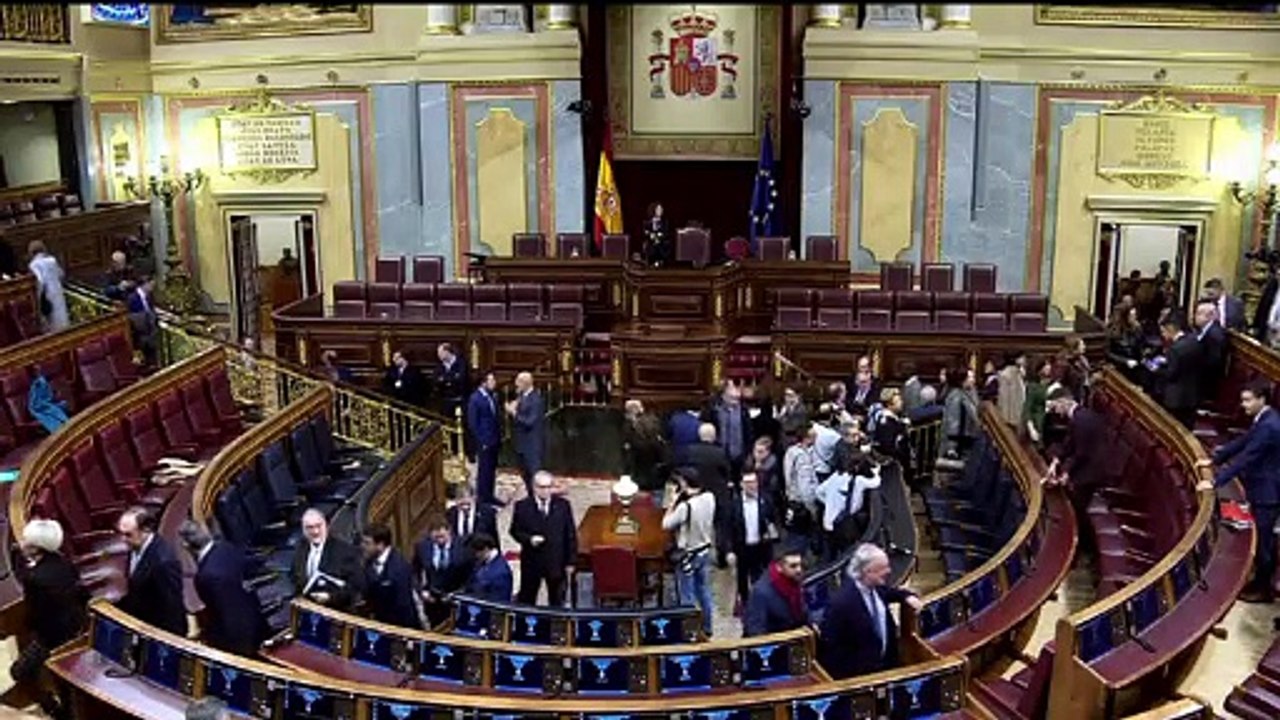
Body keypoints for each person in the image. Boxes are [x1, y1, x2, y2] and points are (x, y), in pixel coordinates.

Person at [1197, 381, 1280, 603]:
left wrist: (1215, 482)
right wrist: (1215, 459)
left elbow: (1248, 457)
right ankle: (1259, 581)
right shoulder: (1265, 419)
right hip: (1261, 486)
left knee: (1264, 543)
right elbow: (1243, 441)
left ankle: (1264, 589)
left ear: (1262, 399)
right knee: (1262, 540)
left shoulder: (1270, 426)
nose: (1243, 405)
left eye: (1248, 400)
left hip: (1268, 492)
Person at [7, 519, 87, 709]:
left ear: (36, 548)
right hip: (76, 627)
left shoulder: (35, 579)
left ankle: (52, 708)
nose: (21, 544)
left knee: (19, 672)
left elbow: (35, 615)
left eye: (26, 541)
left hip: (53, 638)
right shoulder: (63, 561)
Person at [818, 544, 922, 679]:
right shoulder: (840, 604)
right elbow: (832, 649)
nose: (889, 571)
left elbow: (892, 593)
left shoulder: (878, 589)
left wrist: (907, 596)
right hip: (861, 679)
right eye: (883, 568)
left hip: (888, 670)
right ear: (867, 571)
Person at [178, 521, 265, 657]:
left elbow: (220, 612)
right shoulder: (226, 547)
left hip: (237, 639)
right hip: (255, 616)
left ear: (186, 545)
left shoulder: (206, 576)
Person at [1043, 387, 1107, 556]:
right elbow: (1068, 445)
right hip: (1086, 466)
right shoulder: (1078, 417)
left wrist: (1066, 474)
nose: (1054, 412)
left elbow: (1081, 453)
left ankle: (1085, 551)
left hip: (1090, 473)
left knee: (1076, 510)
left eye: (1055, 407)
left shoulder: (1082, 420)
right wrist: (1056, 462)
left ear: (1064, 401)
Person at [662, 467, 717, 636]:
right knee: (704, 590)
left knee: (687, 594)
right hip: (704, 550)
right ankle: (708, 627)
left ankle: (690, 630)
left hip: (688, 554)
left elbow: (666, 524)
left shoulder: (686, 507)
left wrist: (672, 504)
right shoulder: (709, 497)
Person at [116, 507, 187, 636]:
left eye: (128, 534)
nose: (123, 539)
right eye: (121, 533)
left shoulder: (163, 563)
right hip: (141, 621)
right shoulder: (135, 545)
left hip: (158, 630)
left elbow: (171, 608)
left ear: (146, 530)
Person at [510, 471, 576, 606]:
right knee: (527, 598)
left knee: (557, 599)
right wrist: (529, 539)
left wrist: (571, 561)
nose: (546, 491)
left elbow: (570, 534)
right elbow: (515, 531)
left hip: (556, 562)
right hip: (532, 562)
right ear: (534, 487)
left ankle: (556, 625)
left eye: (549, 487)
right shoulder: (522, 506)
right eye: (542, 487)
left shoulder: (563, 506)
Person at [720, 472, 780, 611]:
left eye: (753, 482)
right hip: (742, 548)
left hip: (762, 547)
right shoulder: (733, 505)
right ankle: (746, 605)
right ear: (741, 485)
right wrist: (728, 551)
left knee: (763, 578)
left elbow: (773, 520)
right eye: (747, 483)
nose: (751, 486)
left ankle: (763, 604)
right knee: (742, 579)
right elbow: (726, 530)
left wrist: (771, 533)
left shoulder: (766, 500)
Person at [290, 508, 365, 611]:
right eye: (310, 528)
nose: (315, 532)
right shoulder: (301, 548)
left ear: (326, 525)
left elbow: (355, 587)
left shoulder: (345, 551)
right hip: (308, 609)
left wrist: (330, 597)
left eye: (318, 526)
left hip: (336, 612)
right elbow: (294, 576)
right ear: (303, 530)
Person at [414, 515, 470, 627]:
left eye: (442, 536)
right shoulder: (422, 547)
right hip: (431, 599)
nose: (439, 539)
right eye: (436, 536)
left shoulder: (463, 547)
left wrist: (456, 594)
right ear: (430, 535)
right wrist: (421, 591)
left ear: (449, 532)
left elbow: (470, 576)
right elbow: (415, 572)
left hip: (455, 599)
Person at [360, 524, 419, 628]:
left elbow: (404, 606)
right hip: (378, 622)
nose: (362, 546)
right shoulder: (368, 561)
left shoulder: (399, 568)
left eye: (367, 543)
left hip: (398, 627)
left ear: (380, 545)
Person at [743, 545, 809, 637]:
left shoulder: (795, 584)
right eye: (793, 566)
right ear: (779, 567)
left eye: (800, 565)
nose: (799, 570)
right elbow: (756, 630)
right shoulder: (762, 592)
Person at [1155, 315, 1204, 429]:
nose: (1162, 335)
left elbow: (1171, 374)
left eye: (1163, 331)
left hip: (1176, 398)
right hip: (1193, 395)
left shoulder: (1175, 349)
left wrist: (1156, 370)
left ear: (1171, 329)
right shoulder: (1194, 341)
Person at [701, 380, 753, 484]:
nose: (736, 400)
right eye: (732, 398)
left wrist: (748, 452)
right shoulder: (713, 410)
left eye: (737, 398)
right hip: (718, 455)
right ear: (723, 395)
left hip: (739, 456)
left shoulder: (743, 410)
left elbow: (748, 432)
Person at [466, 372, 502, 507]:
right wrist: (482, 441)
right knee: (484, 470)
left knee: (492, 470)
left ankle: (490, 495)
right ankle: (482, 499)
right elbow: (473, 423)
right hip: (484, 441)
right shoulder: (475, 399)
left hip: (494, 439)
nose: (494, 382)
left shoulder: (492, 396)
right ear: (483, 382)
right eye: (492, 380)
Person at [507, 371, 546, 496]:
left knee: (534, 476)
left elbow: (530, 422)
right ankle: (531, 498)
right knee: (525, 474)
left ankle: (538, 500)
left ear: (525, 383)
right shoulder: (522, 396)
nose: (515, 385)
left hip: (532, 445)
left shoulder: (536, 399)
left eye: (518, 382)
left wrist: (514, 413)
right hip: (521, 443)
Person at [678, 423, 731, 513]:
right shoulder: (720, 452)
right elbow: (726, 473)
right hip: (717, 495)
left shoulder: (689, 451)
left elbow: (682, 470)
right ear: (714, 436)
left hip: (695, 495)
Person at [623, 399, 669, 500]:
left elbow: (629, 454)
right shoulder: (653, 420)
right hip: (657, 474)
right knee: (657, 498)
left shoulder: (633, 431)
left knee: (642, 502)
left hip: (641, 474)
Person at [27, 240, 68, 332]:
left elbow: (40, 281)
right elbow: (61, 274)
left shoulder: (34, 265)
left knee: (50, 320)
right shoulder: (52, 260)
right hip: (57, 291)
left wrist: (38, 297)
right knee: (61, 316)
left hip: (46, 294)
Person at [1194, 301, 1228, 405]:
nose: (1195, 316)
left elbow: (1214, 362)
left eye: (1199, 313)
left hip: (1207, 385)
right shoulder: (1206, 330)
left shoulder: (1215, 334)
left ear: (1210, 316)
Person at [464, 532, 512, 603]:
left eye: (476, 553)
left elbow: (499, 602)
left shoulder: (500, 573)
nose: (475, 556)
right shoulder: (481, 563)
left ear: (485, 549)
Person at [941, 369, 980, 458]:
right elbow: (953, 421)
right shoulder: (956, 396)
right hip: (961, 441)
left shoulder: (968, 393)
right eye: (969, 377)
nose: (972, 380)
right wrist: (951, 447)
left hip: (967, 438)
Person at [126, 276, 160, 368]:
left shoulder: (149, 296)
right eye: (151, 285)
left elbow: (151, 309)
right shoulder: (132, 298)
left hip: (150, 330)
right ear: (145, 284)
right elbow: (133, 318)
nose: (152, 288)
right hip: (140, 333)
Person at [434, 343, 469, 420]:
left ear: (447, 352)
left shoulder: (461, 363)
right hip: (446, 402)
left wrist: (444, 379)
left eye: (440, 353)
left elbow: (461, 379)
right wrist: (452, 378)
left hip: (460, 401)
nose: (438, 355)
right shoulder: (439, 366)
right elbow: (436, 381)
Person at [996, 351, 1028, 431]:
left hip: (1019, 416)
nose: (1025, 360)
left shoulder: (1018, 373)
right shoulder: (1007, 375)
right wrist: (1005, 420)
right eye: (1022, 357)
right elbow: (1004, 399)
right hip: (1011, 419)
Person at [642, 202, 670, 267]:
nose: (660, 211)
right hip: (650, 241)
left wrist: (659, 236)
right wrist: (651, 235)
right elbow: (645, 232)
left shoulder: (664, 222)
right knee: (651, 244)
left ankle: (659, 262)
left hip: (661, 241)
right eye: (658, 209)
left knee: (661, 244)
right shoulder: (647, 222)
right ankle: (652, 262)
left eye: (661, 209)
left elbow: (666, 233)